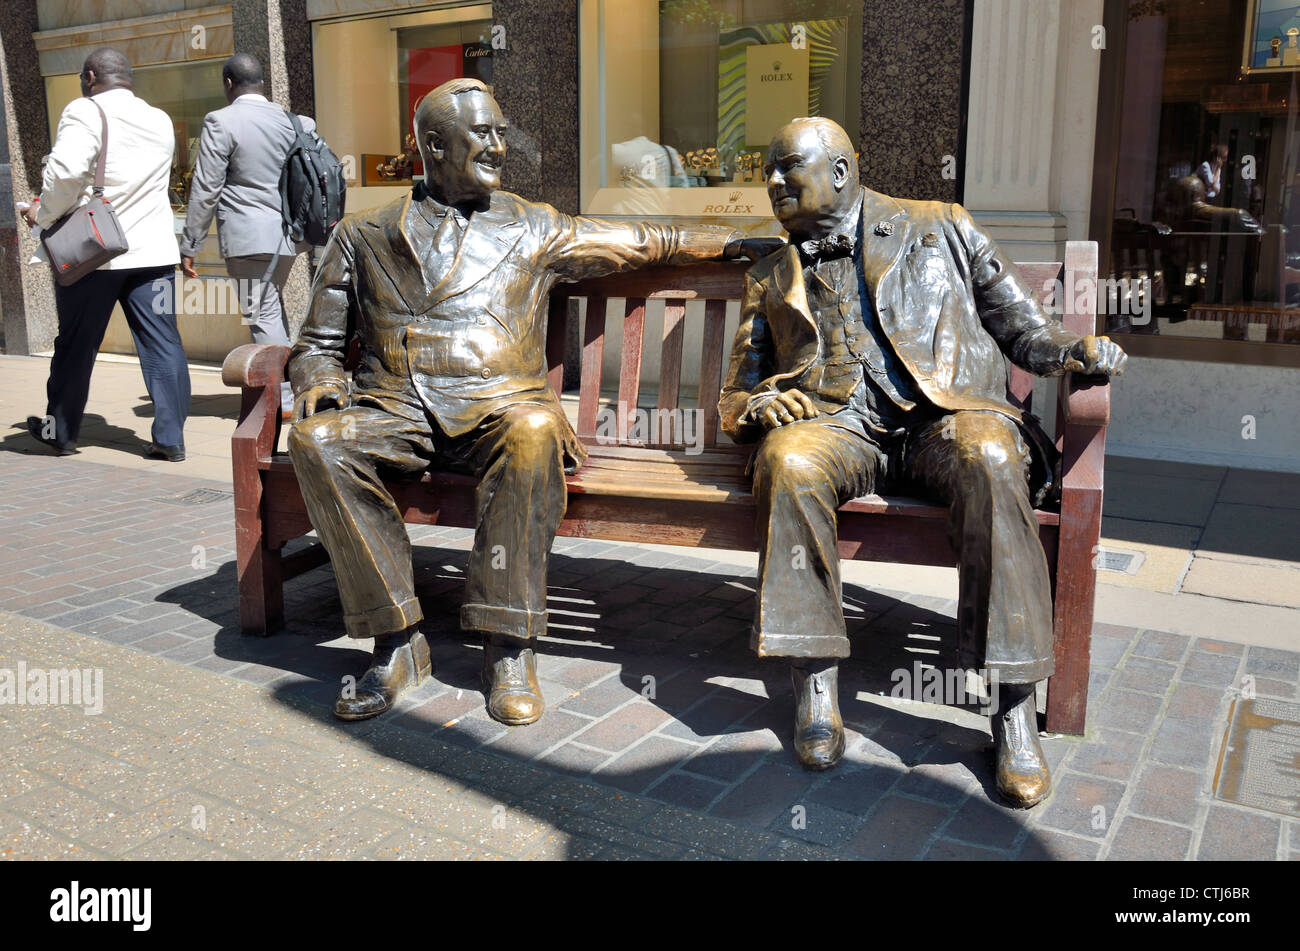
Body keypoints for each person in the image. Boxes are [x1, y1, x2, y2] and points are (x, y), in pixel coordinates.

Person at [288, 78, 778, 725]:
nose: (499, 145)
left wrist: (733, 243)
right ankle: (398, 640)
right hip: (397, 408)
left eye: (501, 130)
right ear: (433, 144)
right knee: (317, 441)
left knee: (534, 430)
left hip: (502, 406)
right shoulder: (364, 235)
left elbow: (639, 239)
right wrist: (321, 380)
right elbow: (316, 342)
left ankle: (508, 647)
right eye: (482, 133)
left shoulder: (531, 225)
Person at [719, 117, 1127, 807]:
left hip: (943, 416)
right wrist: (755, 407)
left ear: (842, 172)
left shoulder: (942, 225)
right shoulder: (770, 272)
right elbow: (737, 389)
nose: (774, 182)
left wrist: (1073, 352)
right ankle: (815, 685)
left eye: (788, 167)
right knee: (788, 460)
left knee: (993, 454)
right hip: (838, 423)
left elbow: (1021, 325)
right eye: (768, 171)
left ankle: (1012, 709)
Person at [23, 48, 190, 460]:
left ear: (91, 75)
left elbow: (65, 174)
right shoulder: (159, 118)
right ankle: (170, 440)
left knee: (76, 345)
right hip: (152, 251)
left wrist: (39, 213)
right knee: (163, 343)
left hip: (94, 253)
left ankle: (59, 433)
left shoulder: (85, 111)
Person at [180, 52, 316, 416]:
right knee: (272, 312)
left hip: (248, 237)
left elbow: (206, 187)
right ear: (261, 82)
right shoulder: (295, 122)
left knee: (262, 316)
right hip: (289, 237)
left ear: (228, 83)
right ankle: (294, 388)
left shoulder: (221, 121)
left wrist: (189, 243)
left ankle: (285, 402)